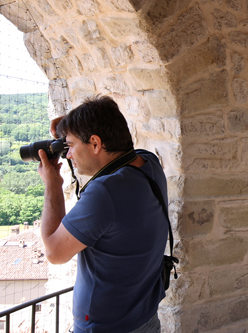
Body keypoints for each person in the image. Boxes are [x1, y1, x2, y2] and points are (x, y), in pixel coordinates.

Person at [38, 96, 168, 333]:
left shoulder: (105, 192)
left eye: (71, 146)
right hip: (145, 318)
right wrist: (68, 130)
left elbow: (54, 252)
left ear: (96, 143)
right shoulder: (148, 164)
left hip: (106, 327)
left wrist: (52, 183)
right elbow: (109, 127)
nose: (68, 155)